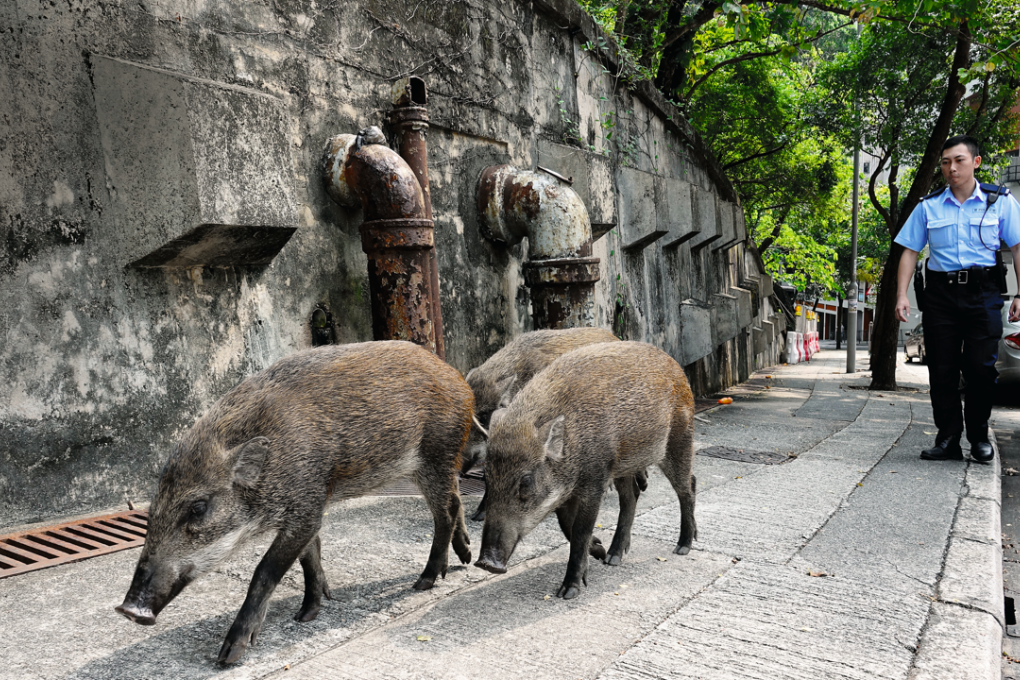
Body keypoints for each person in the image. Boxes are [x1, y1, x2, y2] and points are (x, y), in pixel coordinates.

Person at [894, 135, 1020, 462]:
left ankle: (979, 436)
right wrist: (901, 296)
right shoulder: (929, 206)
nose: (952, 168)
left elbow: (1018, 247)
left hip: (984, 293)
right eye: (946, 161)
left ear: (975, 162)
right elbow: (909, 250)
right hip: (941, 296)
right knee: (942, 367)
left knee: (981, 368)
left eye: (959, 160)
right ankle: (948, 437)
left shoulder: (1000, 202)